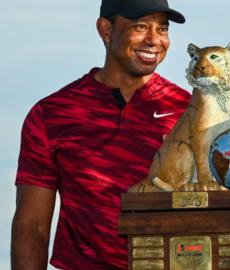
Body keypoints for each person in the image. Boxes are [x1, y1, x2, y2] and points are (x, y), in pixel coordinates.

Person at [10, 0, 191, 269]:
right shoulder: (52, 114)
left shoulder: (187, 110)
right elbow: (32, 224)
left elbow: (224, 190)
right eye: (141, 27)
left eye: (162, 29)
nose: (154, 40)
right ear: (105, 30)